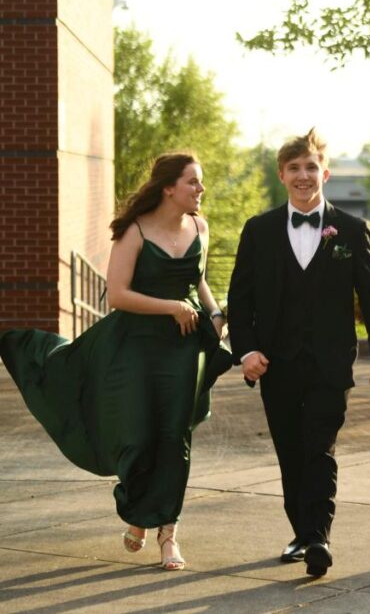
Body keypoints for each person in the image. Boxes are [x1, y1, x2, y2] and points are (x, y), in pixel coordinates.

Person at [0, 152, 232, 571]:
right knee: (139, 436)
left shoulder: (200, 226)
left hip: (183, 351)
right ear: (168, 188)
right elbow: (118, 295)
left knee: (175, 437)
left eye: (200, 182)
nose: (201, 190)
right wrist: (171, 307)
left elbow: (197, 278)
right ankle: (138, 513)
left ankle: (167, 534)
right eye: (193, 182)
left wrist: (215, 315)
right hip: (136, 348)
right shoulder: (135, 231)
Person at [227, 128, 370, 577]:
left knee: (319, 447)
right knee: (290, 451)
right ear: (282, 174)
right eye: (295, 168)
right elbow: (239, 299)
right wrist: (246, 350)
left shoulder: (352, 230)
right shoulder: (258, 230)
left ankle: (318, 535)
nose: (304, 175)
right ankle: (302, 531)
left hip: (329, 363)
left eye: (311, 167)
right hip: (275, 364)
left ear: (326, 173)